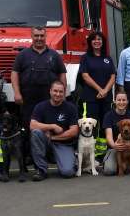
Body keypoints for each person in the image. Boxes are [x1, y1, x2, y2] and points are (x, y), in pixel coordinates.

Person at [12, 26, 67, 156]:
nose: (39, 39)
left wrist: (62, 93)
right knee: (28, 126)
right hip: (28, 97)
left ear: (45, 36)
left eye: (41, 36)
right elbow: (14, 74)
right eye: (36, 36)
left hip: (49, 98)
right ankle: (30, 155)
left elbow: (62, 74)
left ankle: (50, 154)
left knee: (49, 124)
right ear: (32, 37)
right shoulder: (22, 55)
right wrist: (17, 92)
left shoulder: (54, 55)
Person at [30, 81, 79, 180]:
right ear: (50, 91)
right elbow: (32, 125)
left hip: (63, 143)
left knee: (68, 172)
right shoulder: (41, 106)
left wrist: (53, 137)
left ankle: (70, 161)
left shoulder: (71, 108)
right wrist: (52, 126)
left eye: (61, 92)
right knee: (36, 133)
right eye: (55, 91)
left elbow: (74, 131)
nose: (58, 94)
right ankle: (41, 170)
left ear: (64, 93)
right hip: (45, 142)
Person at [79, 31, 116, 159]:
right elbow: (85, 76)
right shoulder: (85, 58)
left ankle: (101, 153)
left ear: (102, 42)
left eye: (99, 39)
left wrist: (105, 91)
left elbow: (113, 76)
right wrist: (100, 89)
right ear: (90, 42)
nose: (97, 41)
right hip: (90, 98)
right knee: (89, 125)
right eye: (94, 39)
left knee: (105, 124)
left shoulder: (107, 58)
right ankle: (87, 154)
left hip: (106, 98)